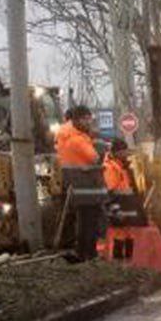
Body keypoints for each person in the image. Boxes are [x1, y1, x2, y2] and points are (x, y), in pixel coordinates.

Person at [54, 105, 105, 261]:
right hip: (87, 186)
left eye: (90, 119)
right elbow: (96, 158)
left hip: (78, 186)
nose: (89, 122)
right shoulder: (77, 140)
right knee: (89, 223)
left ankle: (83, 252)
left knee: (83, 222)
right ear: (76, 120)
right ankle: (88, 253)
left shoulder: (66, 138)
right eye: (86, 119)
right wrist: (97, 143)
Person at [102, 138, 141, 261]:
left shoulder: (122, 167)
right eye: (124, 152)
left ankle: (128, 263)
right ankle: (118, 264)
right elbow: (111, 192)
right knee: (119, 235)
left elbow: (127, 189)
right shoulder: (111, 168)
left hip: (126, 207)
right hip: (119, 207)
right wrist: (115, 210)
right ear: (117, 152)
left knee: (129, 234)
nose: (126, 154)